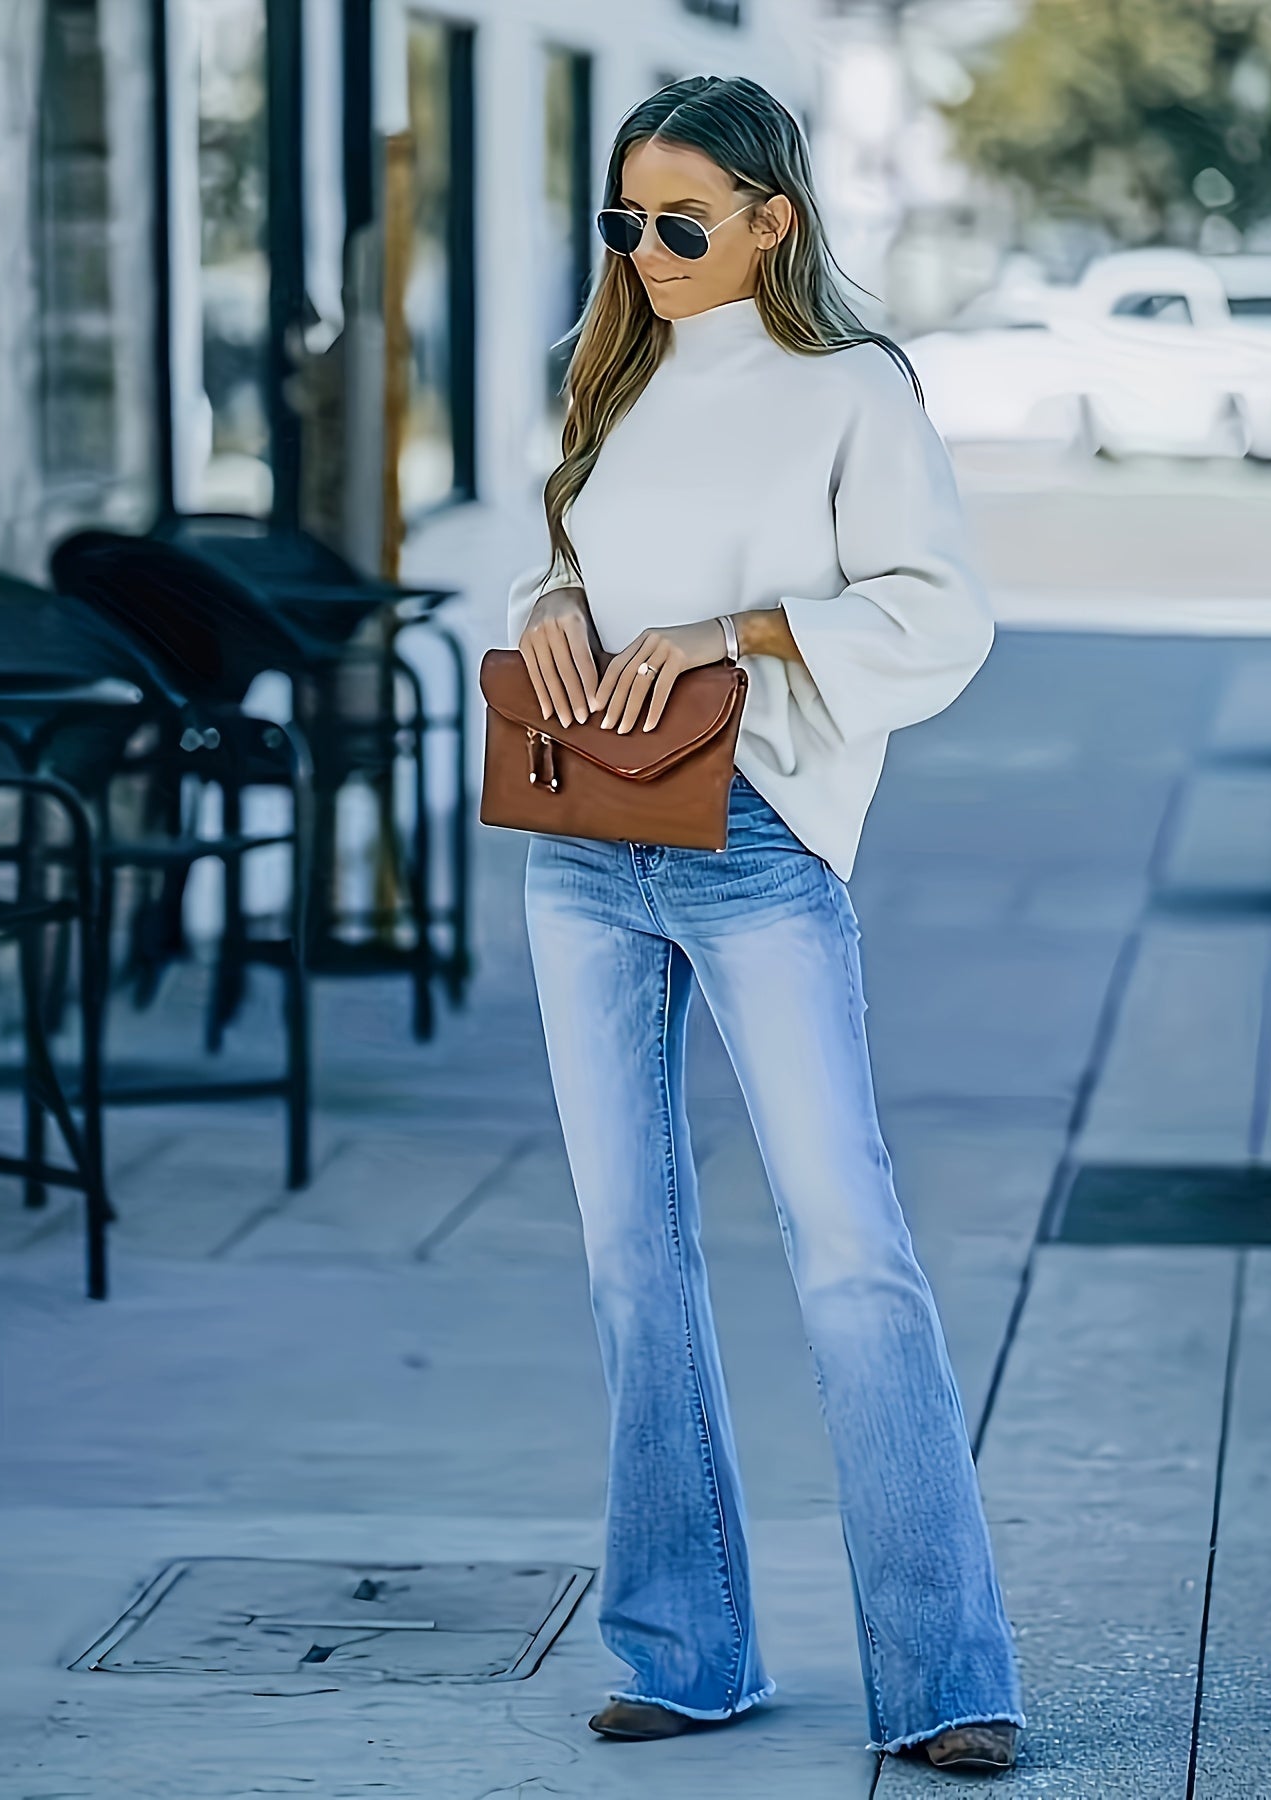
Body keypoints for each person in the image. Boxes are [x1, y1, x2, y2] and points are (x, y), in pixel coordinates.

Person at [504, 75, 1025, 1775]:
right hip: (581, 842)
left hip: (755, 839)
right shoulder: (615, 370)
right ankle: (683, 1647)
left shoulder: (849, 390)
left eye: (681, 223)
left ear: (771, 219)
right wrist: (564, 605)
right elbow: (555, 557)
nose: (645, 252)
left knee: (849, 1250)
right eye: (623, 221)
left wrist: (740, 630)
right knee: (622, 1259)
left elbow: (936, 617)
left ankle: (947, 1679)